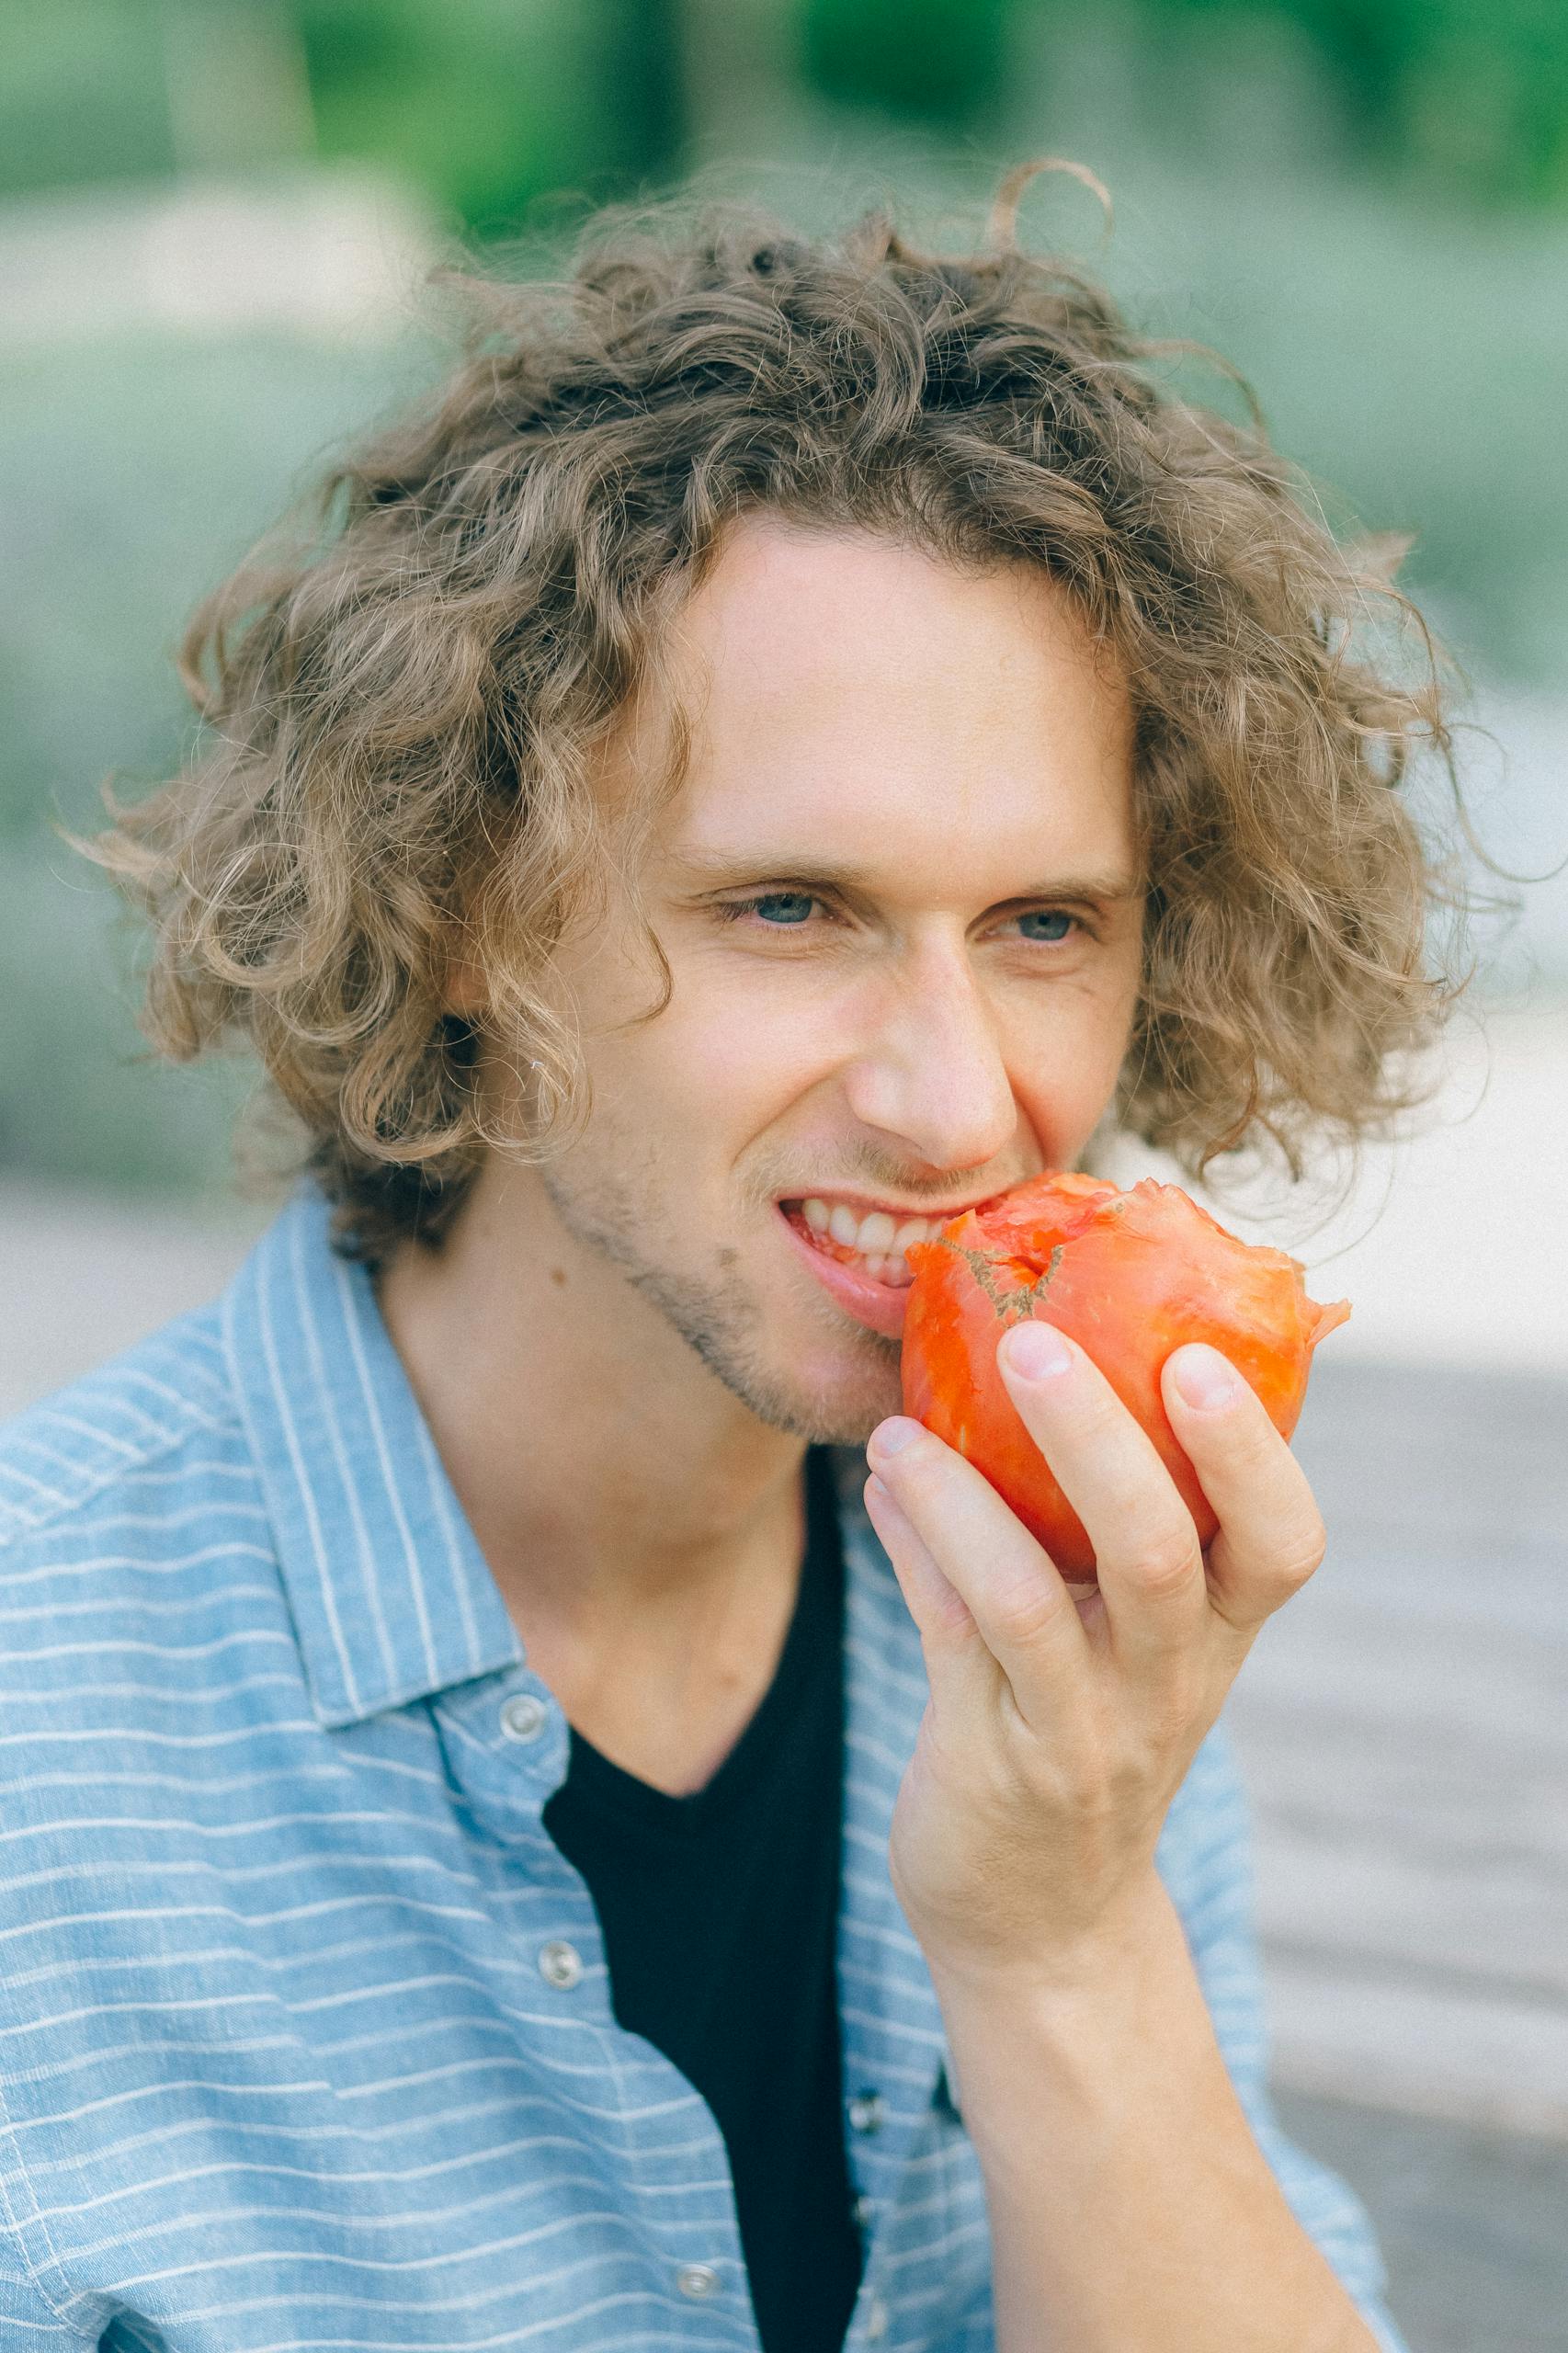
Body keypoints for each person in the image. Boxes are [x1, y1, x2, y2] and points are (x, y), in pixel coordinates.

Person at [0, 172, 1461, 2350]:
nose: (954, 1105)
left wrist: (1065, 1939)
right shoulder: (44, 1730)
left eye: (1043, 924)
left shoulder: (1048, 1619)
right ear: (463, 900)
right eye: (790, 906)